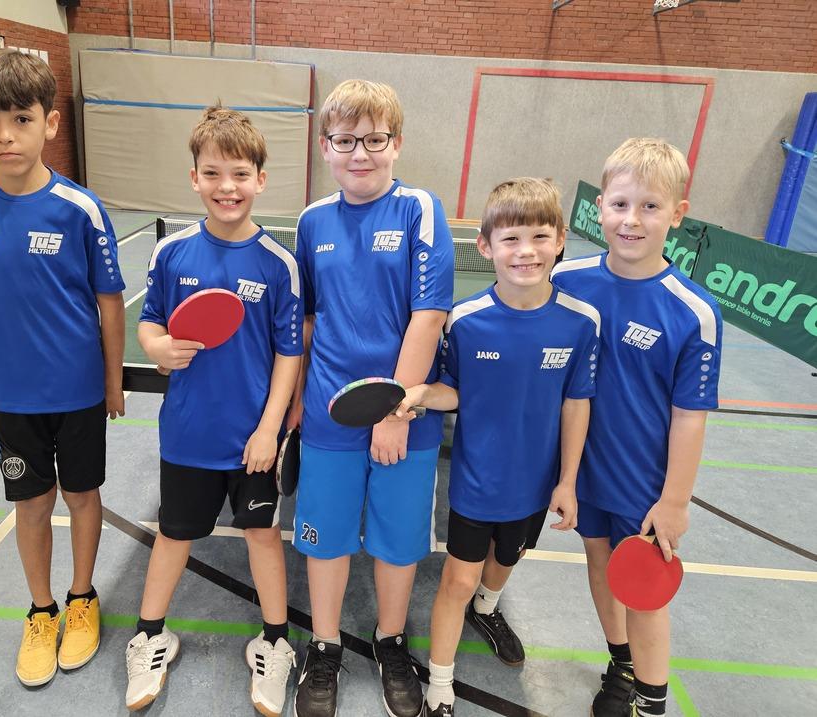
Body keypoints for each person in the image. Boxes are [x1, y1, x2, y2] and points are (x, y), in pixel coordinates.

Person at [0, 48, 125, 687]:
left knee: (82, 493)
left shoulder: (80, 209)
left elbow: (108, 302)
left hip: (75, 393)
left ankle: (81, 598)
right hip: (9, 399)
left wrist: (111, 380)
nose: (5, 135)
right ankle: (42, 609)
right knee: (32, 501)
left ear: (49, 123)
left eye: (21, 118)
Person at [395, 178, 599, 716]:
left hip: (536, 484)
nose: (525, 250)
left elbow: (576, 404)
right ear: (485, 246)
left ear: (559, 241)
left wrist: (567, 481)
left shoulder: (581, 323)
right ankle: (441, 682)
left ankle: (488, 607)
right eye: (510, 238)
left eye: (538, 236)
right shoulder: (465, 320)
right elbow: (453, 391)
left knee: (507, 559)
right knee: (457, 579)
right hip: (477, 482)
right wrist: (418, 393)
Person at [123, 106, 302, 716]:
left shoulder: (278, 264)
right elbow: (148, 325)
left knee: (262, 535)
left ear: (261, 180)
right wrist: (155, 347)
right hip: (189, 433)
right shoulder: (172, 255)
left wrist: (269, 430)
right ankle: (150, 635)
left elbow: (288, 354)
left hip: (250, 438)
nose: (228, 186)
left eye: (241, 173)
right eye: (214, 173)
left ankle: (275, 643)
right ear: (194, 178)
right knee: (174, 534)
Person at [289, 79, 454, 717]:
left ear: (396, 144)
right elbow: (306, 320)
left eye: (375, 140)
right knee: (324, 537)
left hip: (401, 415)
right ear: (325, 147)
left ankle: (389, 642)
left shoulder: (419, 209)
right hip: (330, 410)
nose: (361, 153)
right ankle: (325, 645)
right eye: (346, 141)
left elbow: (428, 314)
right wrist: (300, 397)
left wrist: (396, 410)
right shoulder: (311, 220)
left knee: (396, 538)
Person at [552, 138, 723, 717]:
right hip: (582, 472)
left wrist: (674, 500)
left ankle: (651, 702)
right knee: (600, 565)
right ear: (599, 206)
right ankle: (620, 662)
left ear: (678, 214)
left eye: (651, 207)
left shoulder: (691, 310)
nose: (632, 220)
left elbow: (689, 417)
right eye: (621, 204)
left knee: (645, 594)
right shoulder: (567, 280)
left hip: (643, 484)